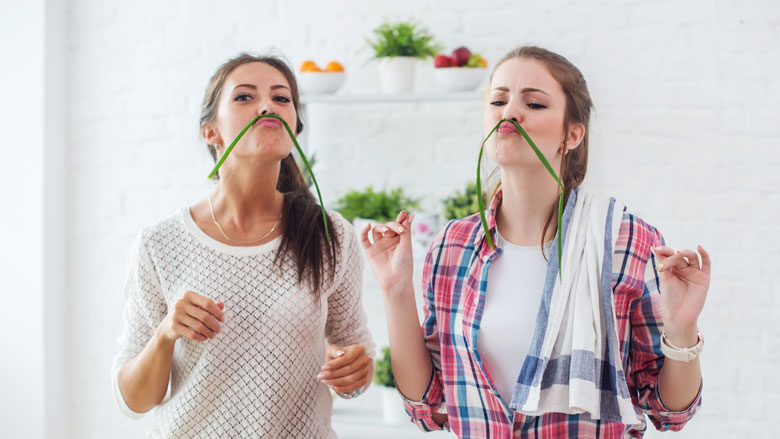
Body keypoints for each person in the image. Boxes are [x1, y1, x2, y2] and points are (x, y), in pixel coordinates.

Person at [360, 46, 709, 438]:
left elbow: (670, 413)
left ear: (572, 134)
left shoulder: (625, 241)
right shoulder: (451, 246)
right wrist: (396, 291)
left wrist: (682, 328)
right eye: (498, 99)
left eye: (534, 103)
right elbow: (428, 404)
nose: (509, 111)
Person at [111, 53, 375, 438]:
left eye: (282, 98)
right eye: (244, 97)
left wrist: (355, 371)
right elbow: (134, 401)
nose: (267, 105)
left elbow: (356, 365)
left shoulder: (328, 233)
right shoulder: (160, 243)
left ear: (294, 130)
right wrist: (167, 331)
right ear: (210, 132)